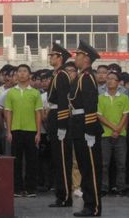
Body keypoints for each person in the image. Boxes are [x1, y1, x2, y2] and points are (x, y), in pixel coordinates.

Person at [68, 40, 103, 217]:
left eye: (79, 55)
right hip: (78, 125)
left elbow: (91, 105)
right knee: (84, 168)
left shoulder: (87, 78)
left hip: (86, 126)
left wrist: (89, 131)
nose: (77, 57)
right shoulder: (81, 76)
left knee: (91, 169)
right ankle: (89, 204)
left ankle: (94, 206)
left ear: (86, 58)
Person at [5, 64, 42, 197]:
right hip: (15, 130)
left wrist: (38, 132)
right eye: (19, 71)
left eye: (24, 71)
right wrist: (8, 131)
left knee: (32, 161)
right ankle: (17, 188)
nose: (21, 74)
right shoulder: (11, 92)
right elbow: (8, 112)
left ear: (29, 75)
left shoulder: (35, 93)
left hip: (31, 130)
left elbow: (38, 113)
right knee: (17, 160)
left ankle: (31, 188)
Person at [45, 43, 74, 208]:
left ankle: (65, 196)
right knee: (58, 159)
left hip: (59, 118)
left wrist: (62, 126)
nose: (50, 58)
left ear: (60, 57)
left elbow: (63, 102)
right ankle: (61, 195)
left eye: (52, 55)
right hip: (55, 117)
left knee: (63, 160)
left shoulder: (62, 76)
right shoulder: (58, 74)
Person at [97, 71, 129, 196]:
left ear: (118, 82)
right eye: (108, 78)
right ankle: (104, 188)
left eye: (113, 79)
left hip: (121, 135)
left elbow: (126, 115)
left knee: (121, 164)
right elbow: (99, 115)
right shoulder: (100, 97)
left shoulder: (124, 97)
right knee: (104, 164)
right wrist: (114, 128)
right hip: (105, 135)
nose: (110, 81)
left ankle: (120, 187)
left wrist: (118, 130)